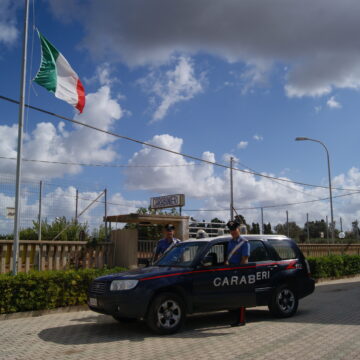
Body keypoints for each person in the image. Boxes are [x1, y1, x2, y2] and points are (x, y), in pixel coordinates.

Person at [226, 220, 250, 327]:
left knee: (240, 297)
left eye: (234, 230)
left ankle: (241, 320)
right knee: (234, 297)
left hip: (240, 272)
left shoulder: (244, 242)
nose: (233, 232)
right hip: (231, 272)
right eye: (231, 230)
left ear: (238, 230)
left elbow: (244, 259)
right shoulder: (230, 242)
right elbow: (228, 257)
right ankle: (236, 318)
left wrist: (239, 273)